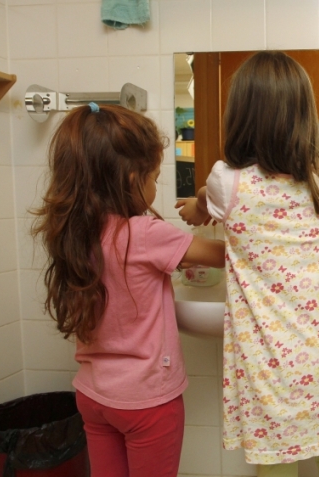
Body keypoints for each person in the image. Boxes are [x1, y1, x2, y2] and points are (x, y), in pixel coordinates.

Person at [176, 51, 319, 477]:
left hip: (272, 366)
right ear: (303, 116)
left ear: (240, 114)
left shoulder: (228, 180)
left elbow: (209, 195)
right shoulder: (317, 180)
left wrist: (197, 205)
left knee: (276, 469)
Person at [31, 103, 226, 477]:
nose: (155, 185)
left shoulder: (72, 234)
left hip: (93, 395)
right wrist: (209, 205)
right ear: (132, 178)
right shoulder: (145, 233)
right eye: (154, 176)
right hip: (147, 402)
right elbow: (224, 255)